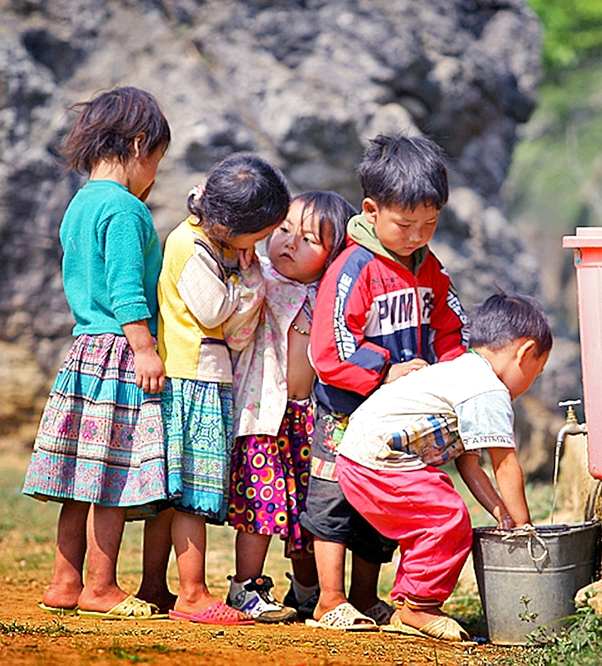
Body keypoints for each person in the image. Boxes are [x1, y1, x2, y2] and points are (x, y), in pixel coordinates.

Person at [300, 134, 468, 630]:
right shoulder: (355, 268)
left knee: (385, 500)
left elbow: (448, 326)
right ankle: (329, 599)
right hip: (344, 410)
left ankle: (365, 596)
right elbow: (329, 350)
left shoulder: (429, 268)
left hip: (399, 416)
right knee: (332, 501)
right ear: (372, 211)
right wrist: (384, 371)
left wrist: (456, 375)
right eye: (405, 224)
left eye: (430, 224)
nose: (418, 235)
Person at [21, 87, 171, 619]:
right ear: (138, 145)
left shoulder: (80, 202)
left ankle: (65, 582)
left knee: (79, 477)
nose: (154, 174)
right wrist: (146, 349)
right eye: (156, 159)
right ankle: (101, 587)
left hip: (84, 349)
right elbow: (128, 289)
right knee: (111, 475)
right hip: (120, 352)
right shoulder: (126, 210)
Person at [336, 292, 551, 641]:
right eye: (536, 374)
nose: (530, 385)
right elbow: (505, 464)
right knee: (446, 516)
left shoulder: (463, 372)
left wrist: (501, 512)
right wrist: (525, 527)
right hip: (378, 460)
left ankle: (410, 600)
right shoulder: (487, 390)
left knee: (432, 511)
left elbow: (470, 464)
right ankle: (420, 606)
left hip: (360, 457)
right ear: (525, 353)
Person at [140, 153, 291, 627]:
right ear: (231, 226)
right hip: (195, 377)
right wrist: (247, 277)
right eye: (260, 236)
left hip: (196, 374)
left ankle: (154, 587)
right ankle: (192, 593)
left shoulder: (204, 240)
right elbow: (214, 311)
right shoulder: (190, 247)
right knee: (192, 493)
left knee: (175, 490)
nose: (262, 245)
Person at [222, 191, 355, 623]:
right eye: (283, 230)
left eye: (309, 239)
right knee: (262, 504)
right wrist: (249, 283)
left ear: (333, 255)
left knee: (307, 508)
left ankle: (306, 589)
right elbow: (236, 333)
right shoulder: (260, 278)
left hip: (309, 418)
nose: (290, 243)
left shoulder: (331, 295)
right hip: (263, 415)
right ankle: (246, 587)